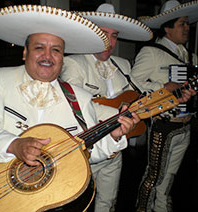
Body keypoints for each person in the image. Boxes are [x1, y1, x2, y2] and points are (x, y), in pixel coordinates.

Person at [0, 5, 140, 211]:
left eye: (56, 50)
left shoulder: (80, 99)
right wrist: (14, 145)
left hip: (50, 199)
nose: (47, 56)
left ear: (62, 57)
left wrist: (113, 137)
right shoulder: (0, 81)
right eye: (39, 47)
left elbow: (88, 153)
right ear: (25, 52)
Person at [60, 3, 153, 212]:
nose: (109, 42)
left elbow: (136, 98)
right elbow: (78, 110)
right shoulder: (74, 64)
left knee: (108, 204)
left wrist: (164, 95)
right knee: (78, 206)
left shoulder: (123, 65)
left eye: (114, 36)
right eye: (103, 34)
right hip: (87, 152)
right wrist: (121, 113)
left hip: (115, 149)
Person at [131, 1, 198, 211]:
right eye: (182, 24)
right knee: (154, 176)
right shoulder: (151, 52)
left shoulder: (190, 56)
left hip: (184, 125)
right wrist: (163, 87)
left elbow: (190, 91)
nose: (187, 28)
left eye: (187, 24)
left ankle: (161, 208)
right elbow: (133, 82)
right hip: (163, 124)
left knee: (169, 177)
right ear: (167, 27)